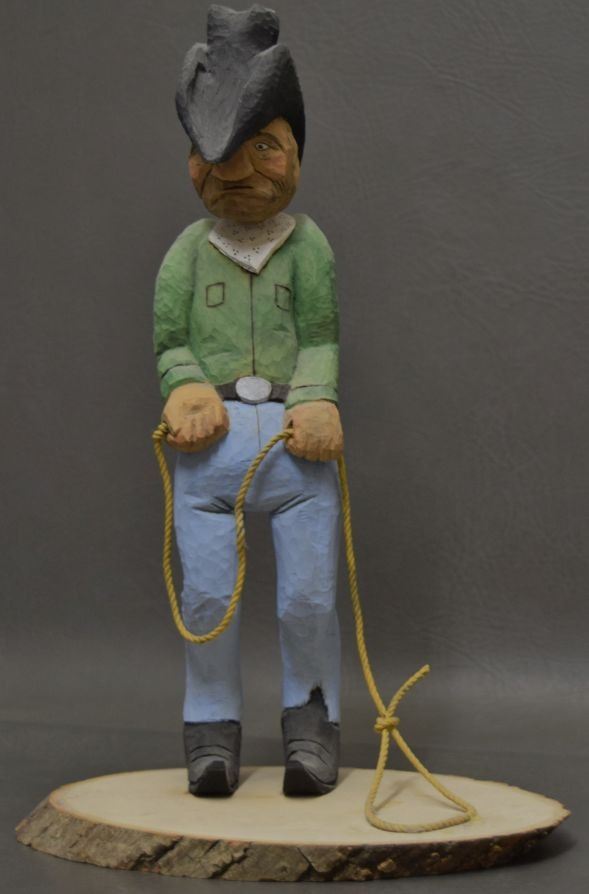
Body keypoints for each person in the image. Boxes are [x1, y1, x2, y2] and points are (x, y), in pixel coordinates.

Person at [154, 4, 344, 797]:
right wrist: (186, 388)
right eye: (217, 152)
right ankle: (210, 733)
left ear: (293, 150)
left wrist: (318, 398)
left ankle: (312, 725)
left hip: (296, 451)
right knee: (207, 599)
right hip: (209, 451)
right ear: (194, 161)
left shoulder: (308, 247)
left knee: (307, 597)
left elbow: (321, 337)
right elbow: (170, 342)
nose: (237, 170)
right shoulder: (187, 254)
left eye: (262, 146)